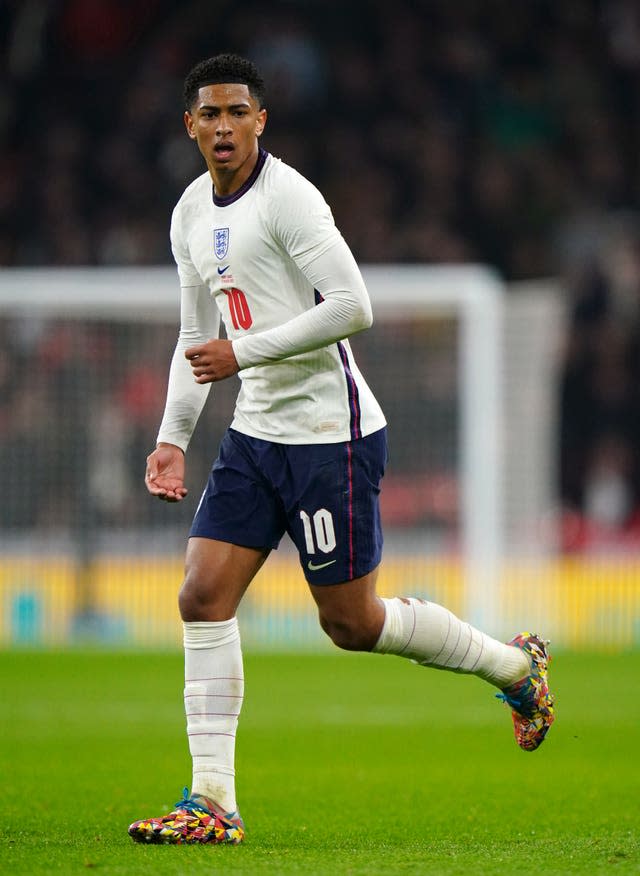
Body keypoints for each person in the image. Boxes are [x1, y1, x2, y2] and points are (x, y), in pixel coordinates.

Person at [128, 53, 555, 847]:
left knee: (351, 624)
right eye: (209, 115)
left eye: (238, 112)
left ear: (262, 121)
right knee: (200, 596)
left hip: (332, 437)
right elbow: (197, 335)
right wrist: (171, 439)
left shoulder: (290, 200)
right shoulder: (190, 213)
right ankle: (211, 802)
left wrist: (244, 354)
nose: (224, 127)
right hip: (256, 437)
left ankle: (512, 667)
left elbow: (355, 306)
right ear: (190, 125)